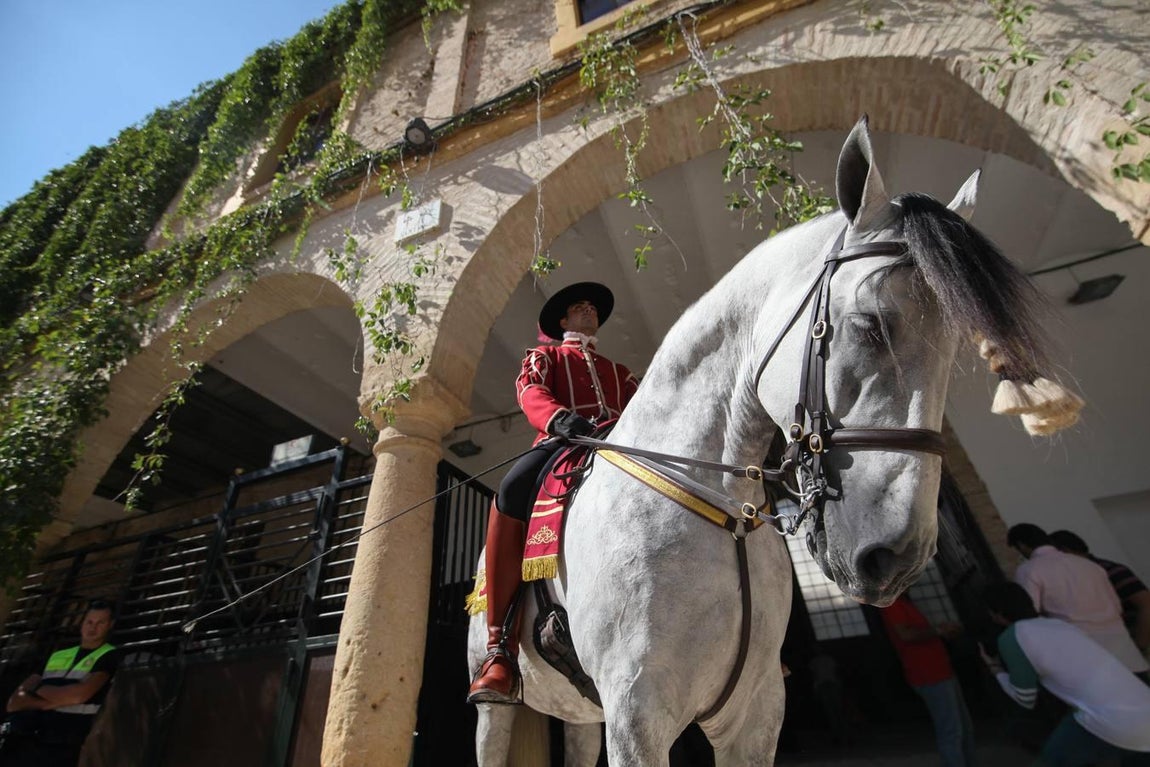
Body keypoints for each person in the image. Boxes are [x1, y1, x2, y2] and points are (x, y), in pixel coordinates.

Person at [467, 282, 639, 704]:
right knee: (510, 491)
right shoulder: (545, 356)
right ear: (563, 320)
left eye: (593, 307)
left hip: (621, 446)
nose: (589, 311)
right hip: (562, 443)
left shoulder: (620, 373)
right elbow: (530, 391)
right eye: (580, 307)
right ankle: (499, 648)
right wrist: (559, 419)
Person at [981, 582, 1150, 766]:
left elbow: (1025, 698)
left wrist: (995, 669)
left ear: (997, 613)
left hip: (1108, 718)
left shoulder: (1013, 636)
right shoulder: (1059, 625)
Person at [1007, 523, 1149, 677]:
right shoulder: (1090, 565)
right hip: (1127, 654)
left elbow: (1029, 615)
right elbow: (1116, 606)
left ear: (1021, 545)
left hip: (1084, 658)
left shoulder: (1029, 569)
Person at [1, 599, 121, 767]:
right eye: (89, 622)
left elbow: (79, 696)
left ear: (110, 625)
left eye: (100, 623)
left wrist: (41, 691)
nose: (92, 628)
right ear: (82, 623)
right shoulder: (58, 655)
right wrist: (52, 701)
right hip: (28, 739)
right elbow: (15, 702)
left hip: (64, 744)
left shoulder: (109, 655)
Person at [880, 593, 977, 767]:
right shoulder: (892, 604)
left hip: (941, 671)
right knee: (951, 731)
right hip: (929, 674)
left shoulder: (904, 603)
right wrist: (939, 630)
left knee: (964, 729)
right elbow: (906, 635)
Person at [1049, 529, 1150, 657]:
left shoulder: (1110, 570)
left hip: (1135, 646)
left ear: (1065, 551)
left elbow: (1146, 606)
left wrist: (1139, 647)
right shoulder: (1076, 578)